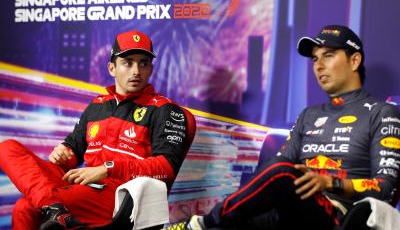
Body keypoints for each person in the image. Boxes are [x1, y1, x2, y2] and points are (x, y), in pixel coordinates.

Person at [165, 25, 400, 230]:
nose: (318, 66)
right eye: (315, 59)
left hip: (339, 216)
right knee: (231, 222)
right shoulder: (309, 114)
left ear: (354, 60)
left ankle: (201, 222)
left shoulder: (382, 113)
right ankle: (209, 224)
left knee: (283, 172)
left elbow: (386, 188)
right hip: (288, 209)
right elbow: (274, 171)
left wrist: (330, 182)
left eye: (328, 55)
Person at [0, 30, 192, 229]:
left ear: (151, 69)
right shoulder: (97, 105)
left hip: (120, 192)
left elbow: (165, 168)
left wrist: (107, 169)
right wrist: (64, 154)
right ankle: (54, 207)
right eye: (127, 62)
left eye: (143, 63)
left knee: (24, 207)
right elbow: (73, 150)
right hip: (80, 184)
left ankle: (53, 206)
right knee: (7, 148)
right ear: (112, 68)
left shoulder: (165, 109)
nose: (136, 71)